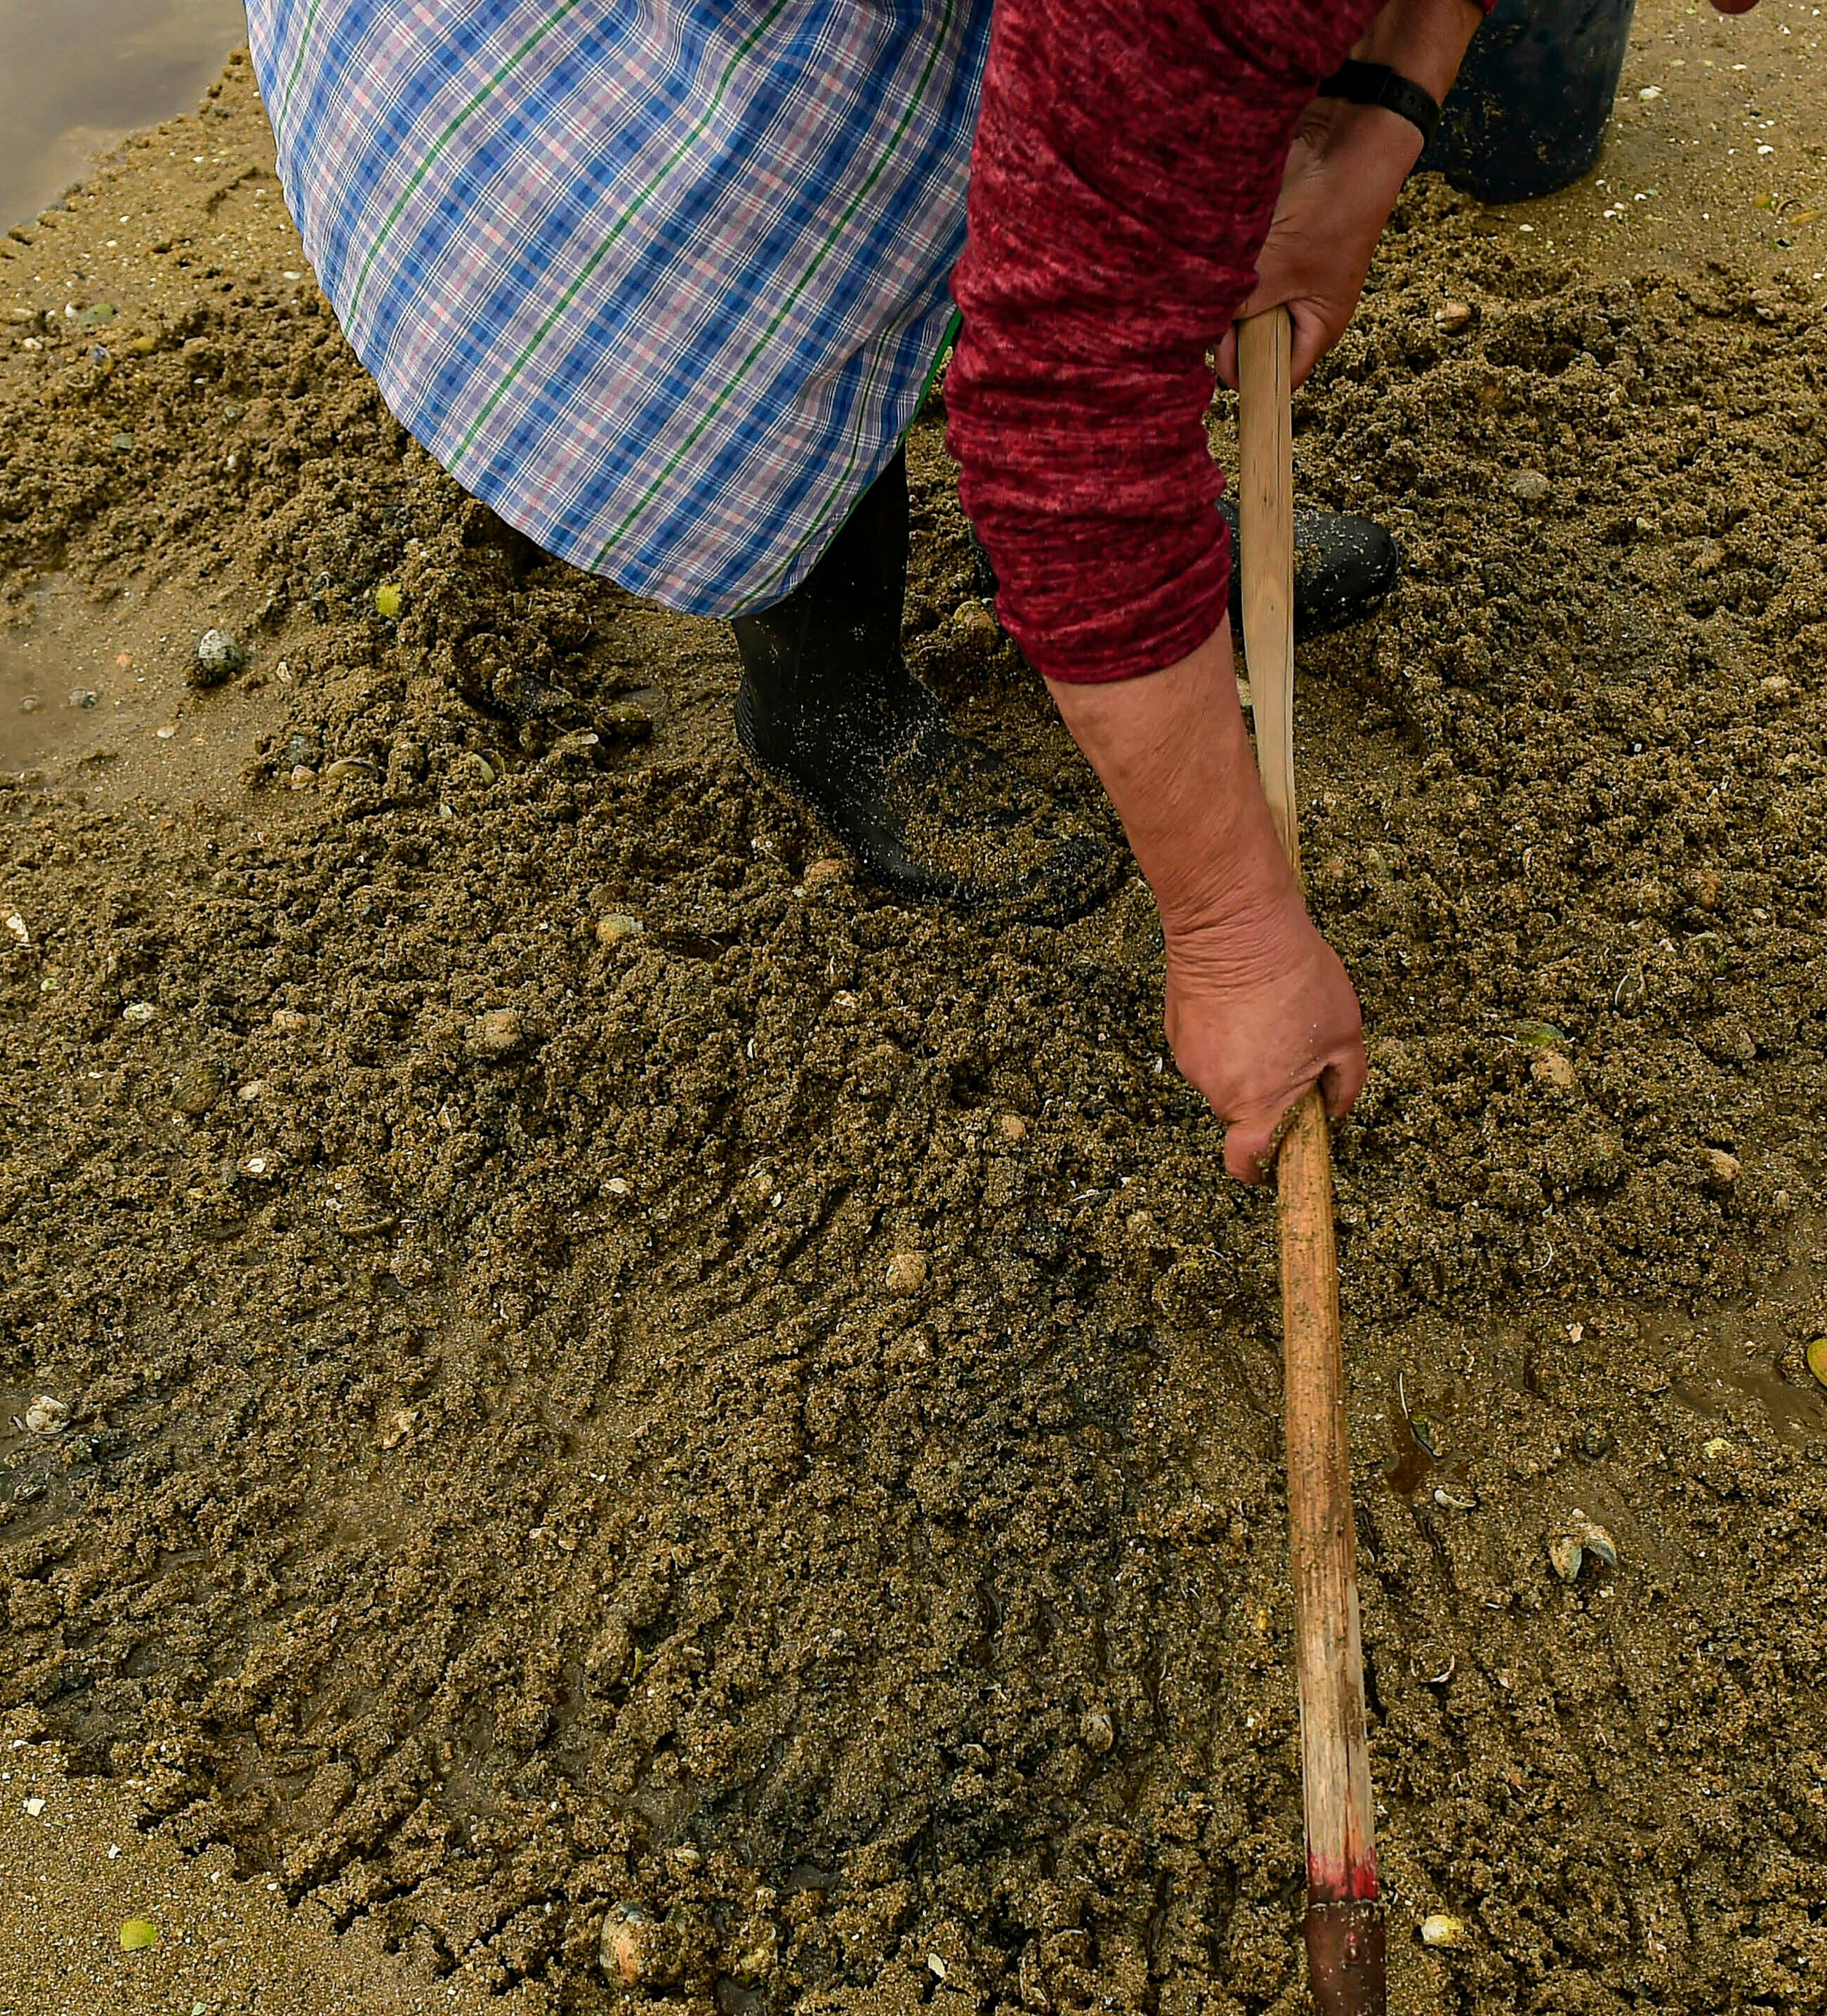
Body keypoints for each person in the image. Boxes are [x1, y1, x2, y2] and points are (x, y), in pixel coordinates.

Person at [248, 0, 1595, 1174]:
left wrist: (1374, 114)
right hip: (689, 49)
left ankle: (1139, 603)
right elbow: (1061, 402)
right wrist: (1234, 934)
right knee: (789, 242)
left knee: (1078, 190)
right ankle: (823, 694)